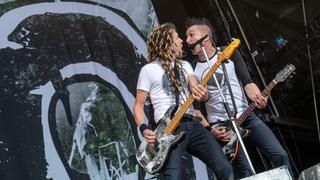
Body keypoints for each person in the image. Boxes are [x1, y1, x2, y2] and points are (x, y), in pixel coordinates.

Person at [185, 17, 293, 179]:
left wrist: (259, 97)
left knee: (280, 155)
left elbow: (247, 83)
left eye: (191, 35)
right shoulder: (192, 69)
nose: (187, 40)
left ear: (205, 37)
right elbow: (196, 110)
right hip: (221, 127)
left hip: (246, 115)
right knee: (245, 172)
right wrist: (211, 130)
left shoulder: (229, 53)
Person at [133, 23, 234, 180]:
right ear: (168, 42)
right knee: (172, 176)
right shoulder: (148, 70)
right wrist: (143, 128)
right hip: (167, 130)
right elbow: (138, 106)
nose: (181, 41)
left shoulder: (185, 65)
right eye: (177, 38)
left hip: (193, 123)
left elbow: (193, 83)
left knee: (224, 168)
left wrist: (200, 91)